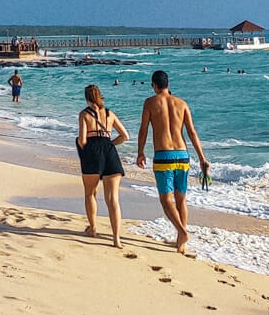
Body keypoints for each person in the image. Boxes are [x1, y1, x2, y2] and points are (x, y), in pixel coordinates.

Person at [136, 70, 210, 256]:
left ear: (154, 85)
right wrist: (202, 158)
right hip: (183, 155)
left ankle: (183, 233)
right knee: (181, 199)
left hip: (163, 155)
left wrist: (140, 152)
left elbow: (143, 130)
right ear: (167, 84)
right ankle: (180, 243)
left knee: (165, 199)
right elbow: (192, 132)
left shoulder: (150, 103)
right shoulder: (182, 103)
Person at [76, 84, 129, 248]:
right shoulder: (109, 114)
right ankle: (116, 238)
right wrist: (109, 144)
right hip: (109, 152)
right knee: (113, 199)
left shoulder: (84, 114)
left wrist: (81, 144)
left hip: (92, 153)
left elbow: (83, 140)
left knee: (90, 193)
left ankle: (92, 228)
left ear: (87, 98)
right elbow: (125, 136)